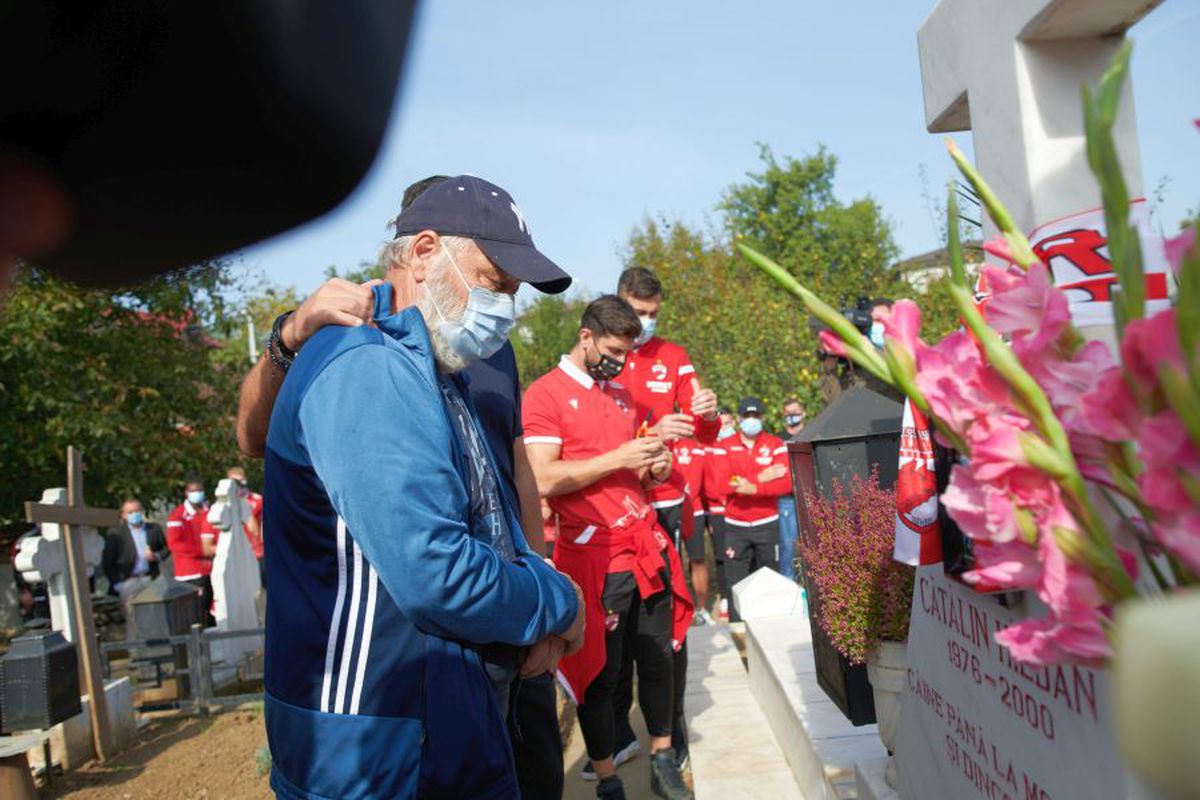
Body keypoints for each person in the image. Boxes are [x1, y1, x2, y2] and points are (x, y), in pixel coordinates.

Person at [236, 174, 571, 800]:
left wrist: (532, 578)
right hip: (377, 737)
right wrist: (555, 599)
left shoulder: (443, 360)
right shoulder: (368, 359)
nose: (505, 307)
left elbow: (499, 487)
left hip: (443, 707)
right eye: (495, 282)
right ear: (422, 252)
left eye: (514, 292)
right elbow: (435, 573)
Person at [523, 295, 694, 800]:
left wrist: (653, 467)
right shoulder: (546, 394)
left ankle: (663, 757)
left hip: (643, 544)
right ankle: (607, 777)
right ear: (585, 337)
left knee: (659, 658)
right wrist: (620, 456)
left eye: (627, 353)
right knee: (601, 673)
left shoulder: (621, 393)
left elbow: (633, 472)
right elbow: (542, 479)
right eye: (613, 351)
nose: (620, 362)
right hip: (593, 555)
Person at [611, 266, 718, 776]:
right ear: (618, 303)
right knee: (616, 627)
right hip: (616, 504)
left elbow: (706, 431)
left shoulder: (673, 356)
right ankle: (614, 734)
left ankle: (671, 733)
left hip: (666, 504)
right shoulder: (601, 353)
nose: (646, 322)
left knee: (669, 624)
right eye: (638, 312)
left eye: (653, 314)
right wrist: (653, 431)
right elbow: (591, 432)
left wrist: (708, 412)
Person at [723, 397, 793, 629]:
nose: (751, 420)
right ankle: (738, 632)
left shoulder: (775, 444)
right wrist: (761, 477)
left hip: (767, 524)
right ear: (739, 418)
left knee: (770, 579)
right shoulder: (725, 446)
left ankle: (770, 628)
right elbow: (723, 481)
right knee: (735, 583)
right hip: (736, 526)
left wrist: (752, 487)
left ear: (762, 417)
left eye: (755, 416)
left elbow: (786, 483)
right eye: (747, 416)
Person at [103, 499, 169, 637]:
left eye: (137, 511)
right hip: (129, 581)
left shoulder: (153, 529)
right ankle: (135, 647)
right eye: (130, 512)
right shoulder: (116, 534)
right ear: (123, 515)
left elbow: (166, 548)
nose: (134, 514)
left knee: (155, 615)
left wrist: (155, 556)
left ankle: (158, 644)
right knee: (133, 618)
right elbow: (108, 562)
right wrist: (117, 584)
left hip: (151, 578)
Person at [166, 478, 218, 627]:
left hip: (213, 569)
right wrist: (203, 551)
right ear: (186, 493)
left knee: (214, 613)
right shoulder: (177, 515)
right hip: (191, 573)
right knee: (197, 615)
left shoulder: (211, 511)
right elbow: (175, 544)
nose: (197, 494)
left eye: (200, 490)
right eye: (193, 491)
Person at [776, 399, 806, 580]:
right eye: (788, 413)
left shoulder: (811, 433)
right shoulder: (777, 440)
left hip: (809, 496)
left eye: (795, 411)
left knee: (814, 541)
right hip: (786, 499)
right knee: (787, 544)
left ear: (803, 412)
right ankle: (788, 582)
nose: (792, 416)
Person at [226, 466, 266, 588]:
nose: (238, 485)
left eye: (240, 480)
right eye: (234, 482)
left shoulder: (257, 500)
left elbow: (259, 528)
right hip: (236, 553)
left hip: (257, 552)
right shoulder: (226, 504)